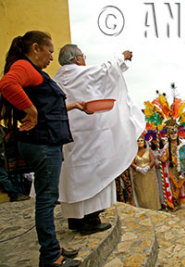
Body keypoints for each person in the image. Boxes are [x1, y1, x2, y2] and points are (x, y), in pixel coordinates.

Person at [0, 31, 82, 267]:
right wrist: (31, 112)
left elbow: (48, 108)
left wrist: (74, 106)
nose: (51, 57)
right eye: (49, 52)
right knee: (47, 200)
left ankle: (52, 246)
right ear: (35, 48)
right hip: (42, 144)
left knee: (48, 198)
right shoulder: (24, 67)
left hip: (44, 142)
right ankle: (50, 257)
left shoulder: (33, 72)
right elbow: (7, 84)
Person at [53, 44, 145, 235]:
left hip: (69, 136)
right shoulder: (81, 73)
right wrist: (123, 56)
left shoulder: (57, 78)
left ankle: (75, 219)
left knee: (73, 174)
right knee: (94, 173)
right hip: (89, 135)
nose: (84, 59)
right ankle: (91, 220)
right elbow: (107, 70)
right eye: (83, 56)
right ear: (77, 59)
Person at [131, 136, 161, 209]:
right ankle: (143, 207)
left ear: (144, 142)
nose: (140, 142)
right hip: (138, 175)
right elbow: (131, 163)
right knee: (141, 191)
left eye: (141, 140)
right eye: (138, 141)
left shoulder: (148, 151)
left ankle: (154, 206)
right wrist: (138, 168)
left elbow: (153, 161)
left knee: (150, 190)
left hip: (149, 173)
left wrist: (148, 167)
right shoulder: (134, 152)